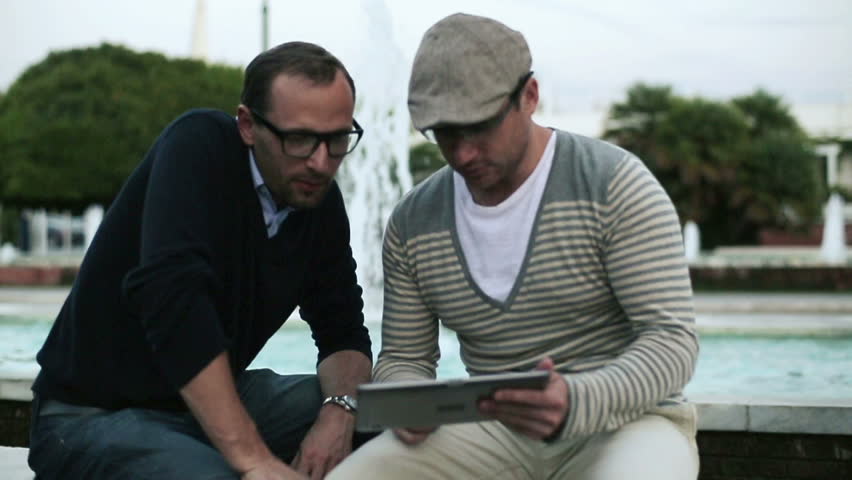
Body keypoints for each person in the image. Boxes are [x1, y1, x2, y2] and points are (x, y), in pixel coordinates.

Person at [329, 13, 699, 480]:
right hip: (490, 430)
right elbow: (406, 358)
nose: (462, 153)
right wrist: (408, 400)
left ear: (530, 96)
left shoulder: (613, 185)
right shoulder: (413, 222)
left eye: (479, 127)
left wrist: (575, 399)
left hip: (629, 424)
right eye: (443, 133)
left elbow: (672, 343)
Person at [28, 41, 373, 480]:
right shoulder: (199, 146)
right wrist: (255, 461)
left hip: (202, 406)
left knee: (385, 415)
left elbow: (344, 331)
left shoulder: (317, 199)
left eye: (337, 139)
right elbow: (175, 302)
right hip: (90, 414)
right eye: (301, 139)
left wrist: (339, 412)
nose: (321, 163)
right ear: (248, 125)